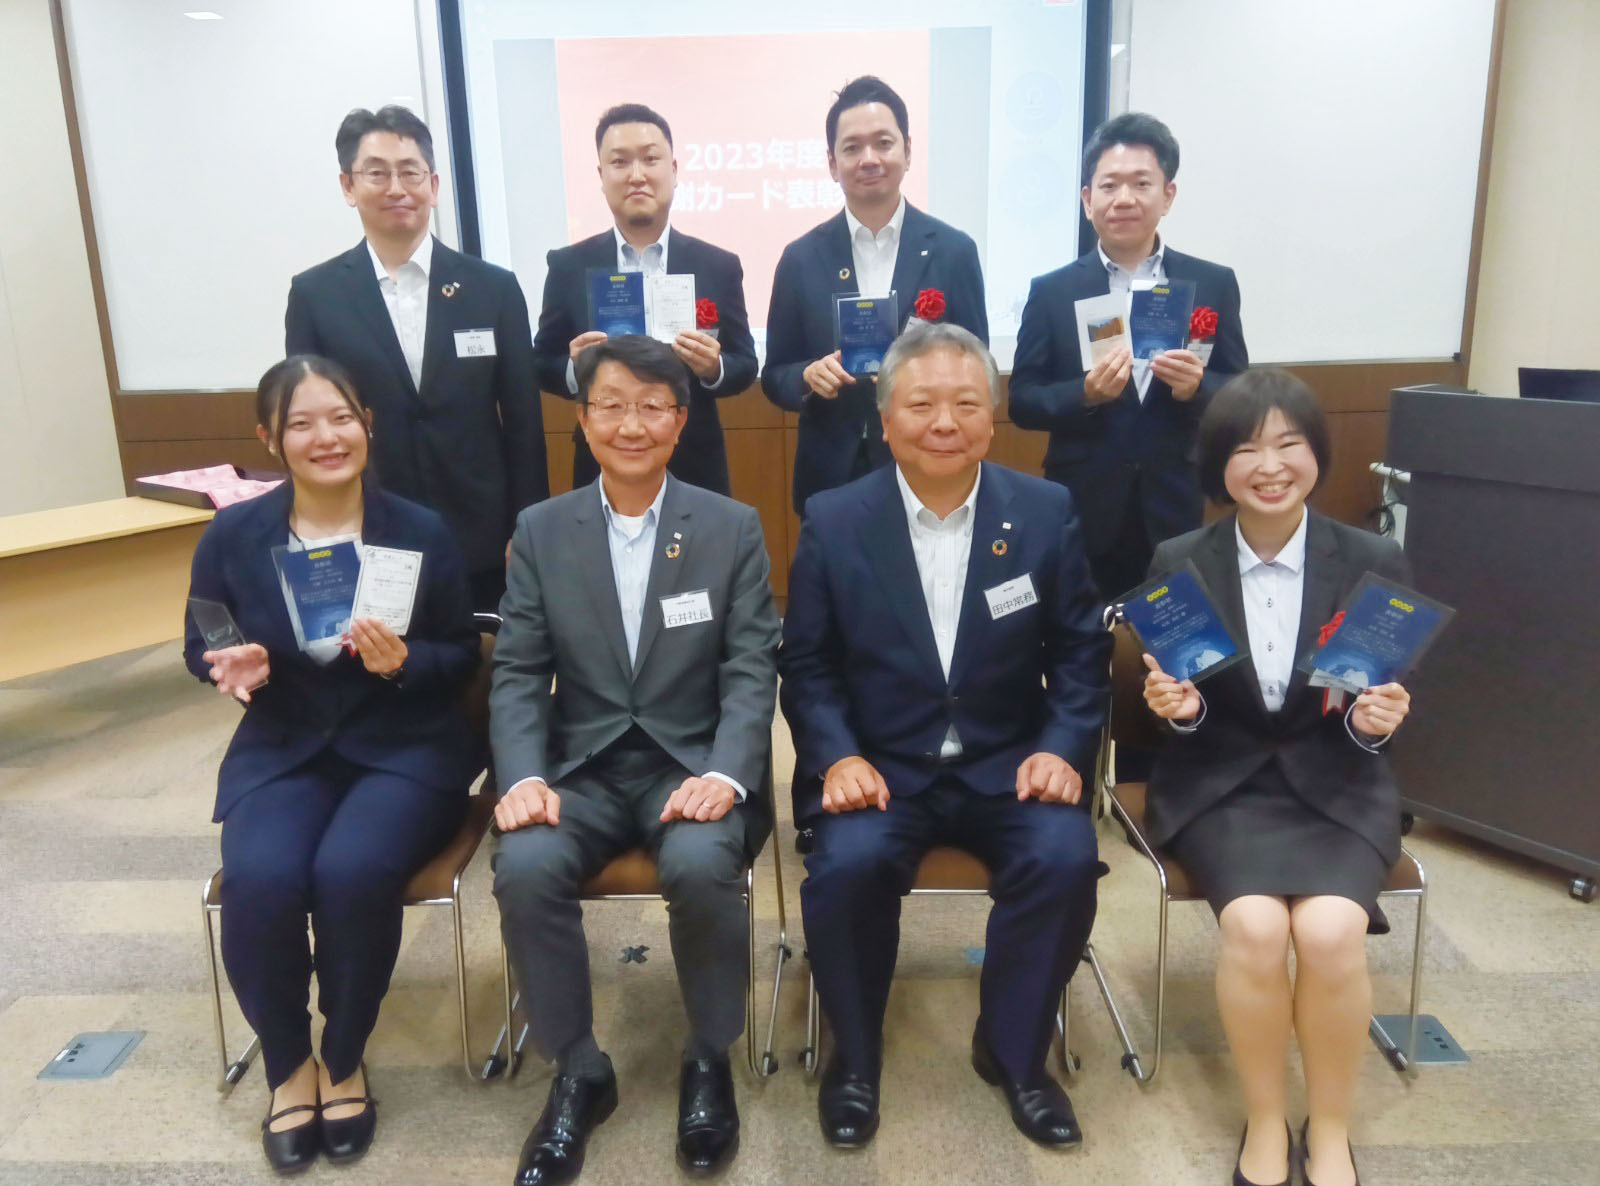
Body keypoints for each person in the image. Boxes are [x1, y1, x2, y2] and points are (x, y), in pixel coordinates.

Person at [779, 322, 1110, 1151]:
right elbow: (808, 664)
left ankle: (1015, 1053)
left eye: (967, 403)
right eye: (921, 404)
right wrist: (838, 756)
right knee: (847, 868)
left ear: (992, 417)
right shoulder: (836, 518)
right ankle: (855, 1060)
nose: (944, 423)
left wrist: (1062, 748)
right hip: (882, 765)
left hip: (1009, 760)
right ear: (886, 418)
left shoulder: (1044, 512)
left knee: (1065, 859)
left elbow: (1081, 652)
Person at [490, 335, 780, 1185]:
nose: (631, 424)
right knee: (525, 865)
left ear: (680, 422)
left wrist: (725, 773)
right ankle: (578, 1069)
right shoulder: (541, 530)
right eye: (611, 406)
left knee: (700, 863)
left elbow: (751, 666)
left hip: (688, 764)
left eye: (652, 407)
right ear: (583, 421)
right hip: (579, 768)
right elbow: (517, 671)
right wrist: (523, 778)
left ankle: (708, 1056)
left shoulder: (730, 527)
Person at [184, 356, 481, 1174]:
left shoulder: (417, 529)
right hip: (285, 744)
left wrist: (405, 661)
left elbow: (462, 651)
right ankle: (289, 1063)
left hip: (404, 747)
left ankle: (344, 1056)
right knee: (262, 878)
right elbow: (202, 638)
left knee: (351, 871)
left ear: (367, 424)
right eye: (302, 423)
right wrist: (231, 665)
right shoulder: (234, 535)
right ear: (269, 439)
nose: (327, 437)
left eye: (341, 417)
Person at [1139, 369, 1414, 1186]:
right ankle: (1264, 1120)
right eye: (1246, 448)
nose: (1269, 466)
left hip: (1339, 783)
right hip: (1222, 785)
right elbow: (1185, 712)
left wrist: (1373, 723)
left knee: (1330, 933)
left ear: (1316, 455)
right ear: (1217, 464)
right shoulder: (1178, 559)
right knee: (1257, 930)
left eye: (1289, 444)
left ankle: (1328, 1128)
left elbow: (1378, 703)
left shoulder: (1371, 559)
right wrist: (1180, 709)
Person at [286, 105, 548, 612]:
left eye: (410, 172)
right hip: (370, 526)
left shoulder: (493, 288)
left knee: (488, 652)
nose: (396, 188)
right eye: (376, 173)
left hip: (482, 530)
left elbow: (523, 422)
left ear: (433, 184)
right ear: (348, 186)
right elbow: (307, 426)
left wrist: (527, 526)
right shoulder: (315, 295)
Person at [1010, 112, 1249, 603]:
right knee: (1083, 635)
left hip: (1174, 505)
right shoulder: (1053, 291)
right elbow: (1023, 400)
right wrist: (1085, 394)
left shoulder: (1212, 283)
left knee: (1171, 636)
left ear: (1168, 195)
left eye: (1141, 183)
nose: (1124, 199)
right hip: (1083, 503)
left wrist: (1197, 388)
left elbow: (1239, 393)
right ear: (1087, 200)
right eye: (1109, 185)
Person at [763, 76, 988, 515]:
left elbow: (977, 363)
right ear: (832, 164)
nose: (869, 159)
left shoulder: (953, 251)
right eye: (852, 148)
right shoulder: (801, 258)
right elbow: (775, 376)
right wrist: (807, 377)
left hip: (932, 464)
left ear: (908, 151)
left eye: (883, 143)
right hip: (832, 473)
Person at [533, 104, 758, 495]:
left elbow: (745, 363)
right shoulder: (569, 266)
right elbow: (540, 363)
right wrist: (573, 368)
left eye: (650, 159)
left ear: (674, 169)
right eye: (620, 162)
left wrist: (713, 367)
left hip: (694, 465)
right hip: (601, 464)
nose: (636, 175)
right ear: (601, 176)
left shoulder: (717, 265)